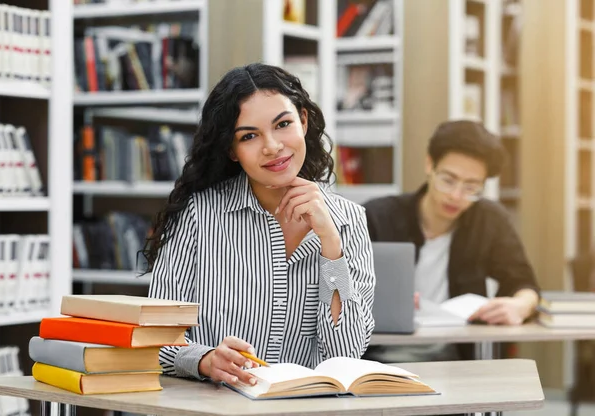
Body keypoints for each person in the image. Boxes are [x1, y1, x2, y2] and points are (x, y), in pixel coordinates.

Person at [143, 63, 376, 386]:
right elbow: (154, 340)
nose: (272, 146)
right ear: (232, 150)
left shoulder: (349, 221)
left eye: (282, 124)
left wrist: (330, 245)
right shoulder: (199, 215)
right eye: (249, 136)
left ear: (303, 121)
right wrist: (205, 360)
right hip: (215, 409)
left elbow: (345, 355)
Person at [363, 120, 540, 362]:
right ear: (429, 165)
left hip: (458, 355)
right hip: (380, 353)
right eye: (448, 180)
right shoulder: (376, 216)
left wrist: (520, 306)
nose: (456, 196)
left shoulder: (489, 220)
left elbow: (524, 282)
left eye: (471, 187)